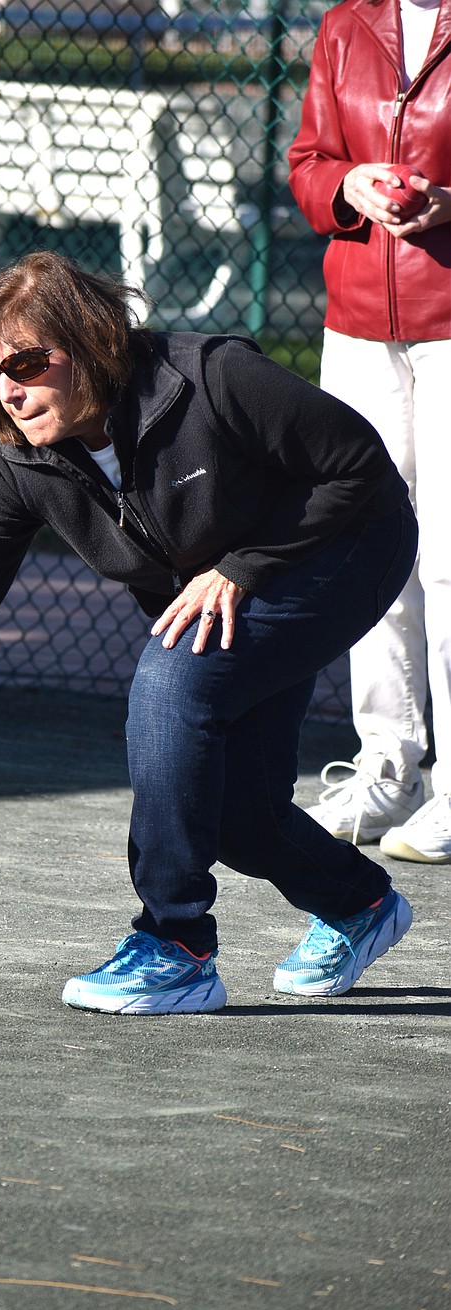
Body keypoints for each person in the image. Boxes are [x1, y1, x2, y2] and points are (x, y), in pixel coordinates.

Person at [0, 251, 417, 1015]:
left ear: (90, 343)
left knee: (172, 682)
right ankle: (357, 903)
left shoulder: (211, 378)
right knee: (234, 811)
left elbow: (357, 465)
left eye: (27, 363)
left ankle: (176, 946)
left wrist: (244, 567)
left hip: (345, 543)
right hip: (225, 588)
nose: (9, 390)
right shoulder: (19, 459)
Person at [288, 0, 451, 863]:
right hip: (355, 327)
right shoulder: (345, 24)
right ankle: (390, 766)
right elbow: (309, 162)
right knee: (371, 547)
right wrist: (347, 184)